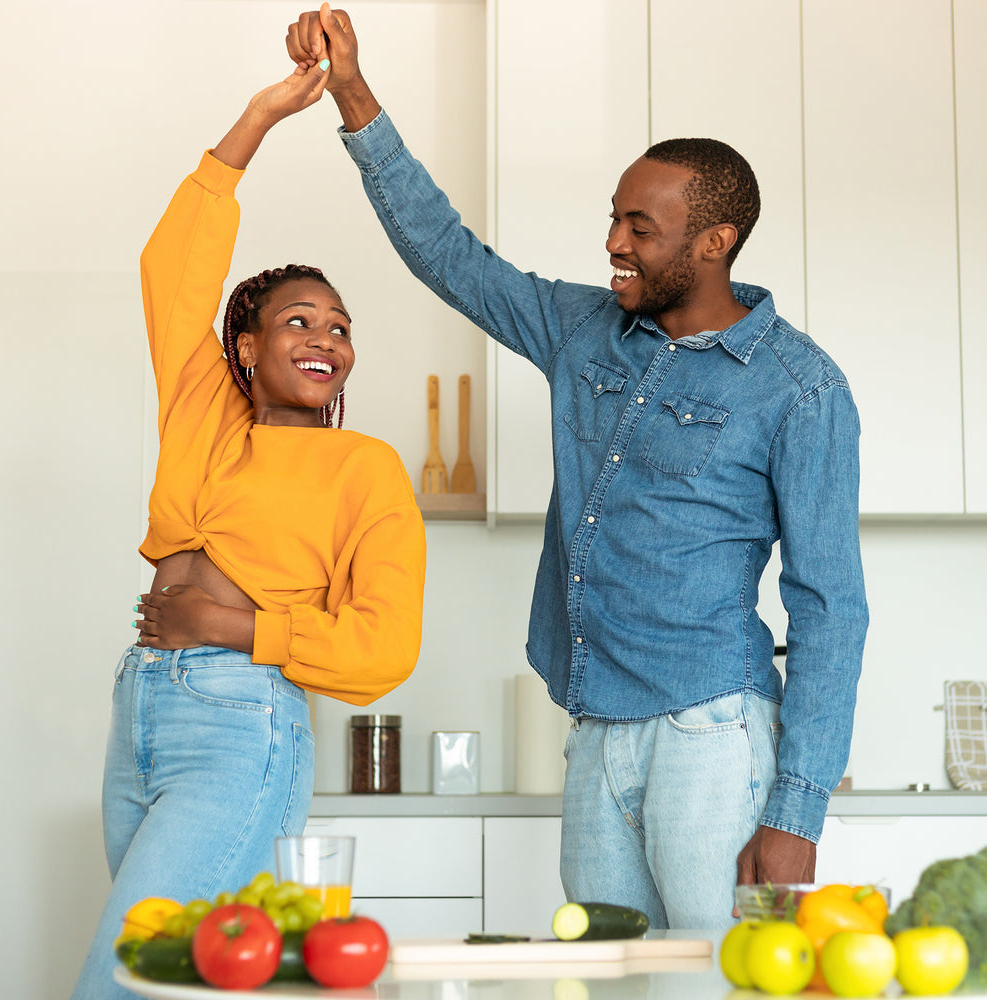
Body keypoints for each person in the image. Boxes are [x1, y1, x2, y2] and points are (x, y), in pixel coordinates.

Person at [288, 5, 868, 930]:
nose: (613, 244)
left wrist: (795, 809)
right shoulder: (584, 329)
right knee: (607, 984)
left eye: (641, 227)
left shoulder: (799, 389)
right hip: (596, 735)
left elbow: (830, 604)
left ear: (713, 242)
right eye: (613, 218)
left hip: (712, 738)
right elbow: (447, 254)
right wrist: (353, 92)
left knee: (716, 990)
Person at [71, 54, 426, 998]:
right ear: (247, 345)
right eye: (298, 320)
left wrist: (234, 628)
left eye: (340, 327)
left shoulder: (366, 467)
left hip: (244, 722)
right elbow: (172, 266)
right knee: (176, 979)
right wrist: (260, 117)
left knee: (119, 981)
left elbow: (383, 648)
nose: (324, 339)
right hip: (141, 708)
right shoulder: (202, 412)